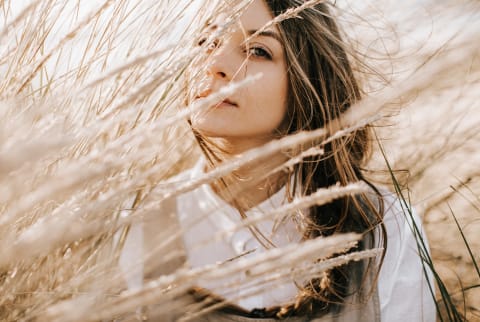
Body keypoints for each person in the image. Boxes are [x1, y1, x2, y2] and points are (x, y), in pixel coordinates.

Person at [118, 0, 436, 321]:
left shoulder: (384, 223)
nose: (214, 63)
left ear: (308, 81)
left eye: (257, 50)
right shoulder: (140, 219)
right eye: (207, 41)